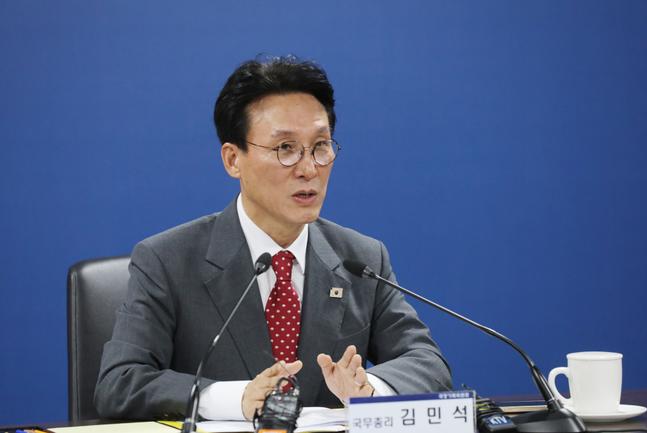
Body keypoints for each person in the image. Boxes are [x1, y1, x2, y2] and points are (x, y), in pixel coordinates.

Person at [94, 55, 452, 421]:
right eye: (285, 149)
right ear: (233, 160)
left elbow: (426, 362)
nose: (309, 169)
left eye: (321, 146)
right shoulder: (167, 261)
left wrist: (369, 391)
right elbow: (120, 382)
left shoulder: (361, 259)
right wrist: (235, 399)